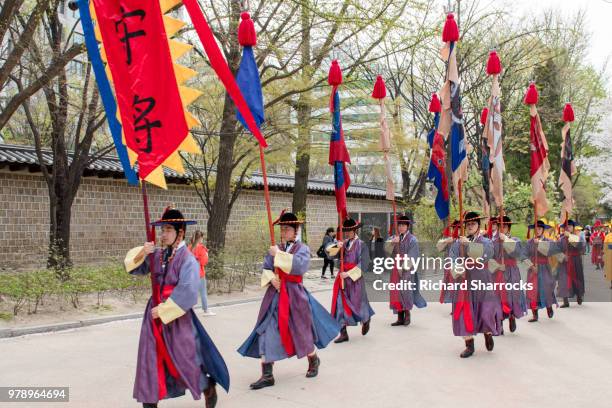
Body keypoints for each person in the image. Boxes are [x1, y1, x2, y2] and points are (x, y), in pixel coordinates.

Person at [124, 206, 229, 408]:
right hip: (153, 317)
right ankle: (150, 401)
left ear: (180, 233)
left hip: (177, 318)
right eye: (163, 230)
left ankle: (206, 385)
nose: (163, 234)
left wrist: (164, 310)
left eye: (168, 230)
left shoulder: (188, 259)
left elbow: (189, 293)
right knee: (150, 360)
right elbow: (136, 269)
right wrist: (142, 252)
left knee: (185, 361)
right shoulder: (159, 255)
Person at [238, 210, 340, 390]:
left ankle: (313, 359)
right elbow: (266, 268)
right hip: (274, 296)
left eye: (287, 229)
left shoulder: (303, 248)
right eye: (282, 229)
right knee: (266, 330)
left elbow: (299, 267)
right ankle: (267, 374)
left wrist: (278, 254)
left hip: (295, 295)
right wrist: (272, 279)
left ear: (295, 231)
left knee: (301, 331)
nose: (283, 232)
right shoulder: (275, 247)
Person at [448, 211, 502, 358]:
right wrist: (458, 268)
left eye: (473, 224)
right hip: (464, 281)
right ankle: (469, 344)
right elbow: (452, 258)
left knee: (485, 311)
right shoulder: (458, 242)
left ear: (478, 226)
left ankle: (488, 333)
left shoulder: (486, 241)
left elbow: (487, 255)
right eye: (468, 224)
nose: (470, 226)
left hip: (481, 279)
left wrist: (469, 246)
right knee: (464, 312)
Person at [326, 218, 375, 343]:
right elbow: (329, 255)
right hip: (342, 279)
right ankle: (343, 332)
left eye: (349, 231)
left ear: (354, 230)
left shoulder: (361, 245)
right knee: (340, 304)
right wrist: (337, 246)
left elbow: (364, 264)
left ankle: (365, 319)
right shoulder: (343, 243)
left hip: (355, 279)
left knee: (358, 304)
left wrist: (348, 274)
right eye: (345, 231)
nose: (347, 233)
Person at [384, 214, 427, 326]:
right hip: (395, 267)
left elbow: (413, 255)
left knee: (406, 291)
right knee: (396, 292)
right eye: (399, 225)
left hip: (407, 268)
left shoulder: (412, 239)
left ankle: (407, 314)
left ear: (408, 226)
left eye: (403, 225)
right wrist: (393, 242)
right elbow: (386, 250)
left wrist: (403, 267)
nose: (401, 227)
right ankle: (399, 316)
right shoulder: (393, 238)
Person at [488, 215, 527, 333]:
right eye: (500, 226)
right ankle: (498, 325)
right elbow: (489, 258)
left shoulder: (515, 240)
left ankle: (511, 316)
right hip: (497, 273)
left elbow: (518, 254)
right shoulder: (492, 242)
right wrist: (498, 266)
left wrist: (505, 240)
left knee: (512, 296)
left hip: (512, 272)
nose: (502, 228)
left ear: (508, 228)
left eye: (504, 226)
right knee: (496, 297)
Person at [524, 219, 557, 322]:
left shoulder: (548, 241)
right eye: (536, 229)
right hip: (533, 269)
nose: (538, 230)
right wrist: (531, 266)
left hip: (545, 268)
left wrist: (540, 244)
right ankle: (535, 314)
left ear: (543, 230)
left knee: (547, 288)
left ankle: (549, 306)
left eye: (540, 228)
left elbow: (550, 252)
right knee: (533, 291)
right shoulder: (529, 242)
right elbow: (524, 256)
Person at [556, 219, 586, 307]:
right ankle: (565, 301)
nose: (568, 228)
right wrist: (562, 257)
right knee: (563, 281)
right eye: (566, 227)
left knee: (577, 279)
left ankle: (579, 295)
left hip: (576, 261)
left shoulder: (577, 237)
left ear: (573, 228)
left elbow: (580, 246)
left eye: (570, 226)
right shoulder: (561, 239)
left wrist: (570, 236)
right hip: (565, 262)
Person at [188, 230, 215, 316]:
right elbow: (204, 262)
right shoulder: (201, 248)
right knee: (203, 292)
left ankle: (190, 310)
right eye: (202, 237)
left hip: (191, 273)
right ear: (200, 238)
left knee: (192, 292)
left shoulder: (189, 247)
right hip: (199, 273)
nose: (202, 239)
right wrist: (206, 254)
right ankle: (206, 310)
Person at [437, 219, 460, 305]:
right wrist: (446, 241)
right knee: (451, 286)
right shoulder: (449, 240)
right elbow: (439, 247)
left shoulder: (465, 240)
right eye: (456, 228)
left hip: (461, 267)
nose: (457, 230)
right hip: (449, 267)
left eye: (460, 228)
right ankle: (454, 305)